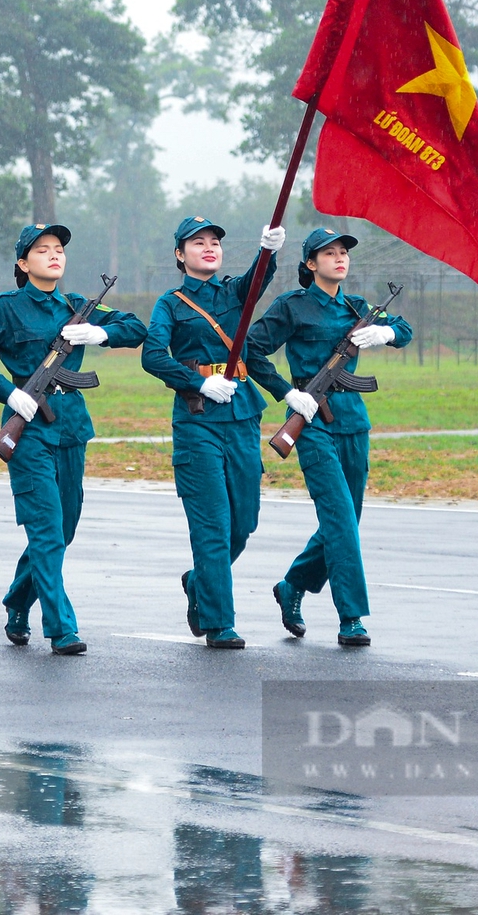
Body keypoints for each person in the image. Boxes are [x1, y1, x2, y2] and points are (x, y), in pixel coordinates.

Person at [0, 223, 147, 654]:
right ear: (23, 263)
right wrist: (8, 392)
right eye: (42, 250)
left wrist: (103, 333)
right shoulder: (5, 308)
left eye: (58, 249)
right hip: (28, 429)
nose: (54, 255)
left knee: (65, 528)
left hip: (71, 425)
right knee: (46, 531)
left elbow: (136, 327)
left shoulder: (77, 306)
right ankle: (61, 628)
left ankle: (19, 599)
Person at [246, 229, 412, 649]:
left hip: (353, 420)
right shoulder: (292, 306)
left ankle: (293, 584)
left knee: (346, 521)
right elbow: (251, 350)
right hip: (310, 418)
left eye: (343, 253)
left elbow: (405, 328)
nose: (339, 259)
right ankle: (351, 617)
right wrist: (287, 393)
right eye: (329, 253)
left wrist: (387, 334)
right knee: (339, 518)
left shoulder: (359, 308)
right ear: (309, 264)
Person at [142, 217, 284, 648]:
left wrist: (268, 251)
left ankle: (200, 581)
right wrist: (198, 381)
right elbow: (152, 356)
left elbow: (258, 281)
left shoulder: (233, 293)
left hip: (241, 414)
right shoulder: (171, 303)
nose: (209, 247)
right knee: (213, 525)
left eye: (215, 242)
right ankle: (220, 621)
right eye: (197, 242)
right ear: (179, 255)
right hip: (198, 415)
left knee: (245, 521)